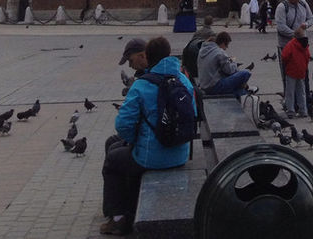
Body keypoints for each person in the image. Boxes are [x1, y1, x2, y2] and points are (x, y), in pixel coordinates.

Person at [101, 35, 197, 236]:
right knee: (118, 149)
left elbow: (123, 125)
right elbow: (192, 116)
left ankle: (118, 219)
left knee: (112, 160)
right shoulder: (183, 80)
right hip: (180, 153)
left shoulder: (142, 85)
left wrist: (135, 141)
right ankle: (127, 208)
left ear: (148, 57)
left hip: (151, 157)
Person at [275, 0, 313, 110]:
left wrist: (305, 25)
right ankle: (291, 105)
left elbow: (311, 18)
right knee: (288, 76)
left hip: (302, 46)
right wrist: (294, 34)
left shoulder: (303, 3)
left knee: (303, 74)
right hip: (286, 45)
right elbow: (281, 26)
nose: (297, 0)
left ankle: (305, 103)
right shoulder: (282, 7)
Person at [197, 31, 255, 99]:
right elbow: (229, 70)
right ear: (223, 43)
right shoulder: (219, 52)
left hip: (204, 85)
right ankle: (245, 89)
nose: (226, 48)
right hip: (213, 87)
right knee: (245, 73)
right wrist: (234, 63)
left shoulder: (203, 50)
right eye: (226, 45)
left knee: (239, 90)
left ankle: (244, 91)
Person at [282, 27, 311, 116]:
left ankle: (291, 110)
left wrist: (287, 65)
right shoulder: (305, 44)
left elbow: (284, 56)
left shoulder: (291, 44)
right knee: (301, 92)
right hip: (301, 71)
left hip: (291, 71)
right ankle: (303, 110)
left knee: (290, 92)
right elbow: (308, 56)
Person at [180, 18, 215, 83]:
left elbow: (191, 41)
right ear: (211, 23)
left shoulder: (198, 31)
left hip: (191, 49)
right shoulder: (211, 33)